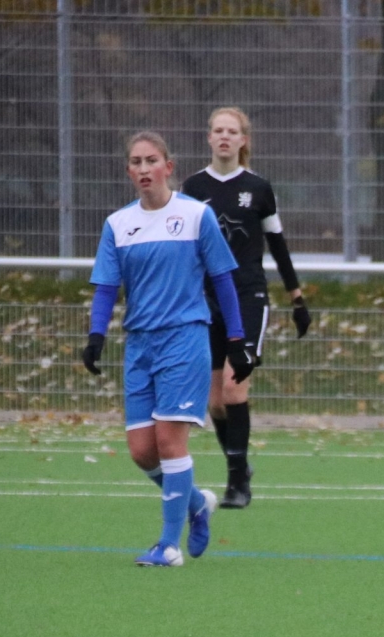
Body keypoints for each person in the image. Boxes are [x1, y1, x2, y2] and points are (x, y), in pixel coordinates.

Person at [83, 130, 251, 567]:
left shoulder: (196, 216)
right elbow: (105, 287)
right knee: (142, 451)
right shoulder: (118, 224)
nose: (143, 169)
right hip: (140, 345)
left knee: (169, 441)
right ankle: (196, 503)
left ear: (168, 167)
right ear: (128, 170)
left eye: (151, 161)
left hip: (185, 337)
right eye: (135, 162)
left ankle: (168, 545)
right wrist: (96, 336)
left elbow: (223, 281)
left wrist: (236, 342)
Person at [181, 106, 311, 508]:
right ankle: (239, 465)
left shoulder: (258, 188)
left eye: (231, 131)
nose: (224, 137)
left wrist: (297, 298)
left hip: (248, 297)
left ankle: (238, 483)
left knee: (235, 389)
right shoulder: (193, 186)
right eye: (217, 130)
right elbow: (182, 249)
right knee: (214, 402)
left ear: (243, 140)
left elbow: (278, 246)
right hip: (207, 302)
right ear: (209, 138)